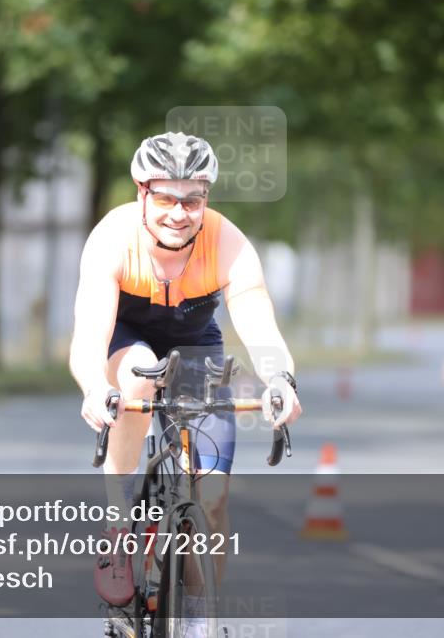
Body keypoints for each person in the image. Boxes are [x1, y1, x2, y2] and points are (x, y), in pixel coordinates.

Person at [68, 131, 303, 608]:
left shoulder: (226, 241)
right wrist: (95, 385)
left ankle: (198, 615)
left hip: (195, 344)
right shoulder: (113, 238)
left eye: (192, 200)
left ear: (206, 198)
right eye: (166, 198)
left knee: (212, 498)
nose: (179, 213)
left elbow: (257, 317)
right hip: (126, 338)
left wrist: (280, 378)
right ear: (142, 192)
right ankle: (118, 526)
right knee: (136, 375)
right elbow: (89, 334)